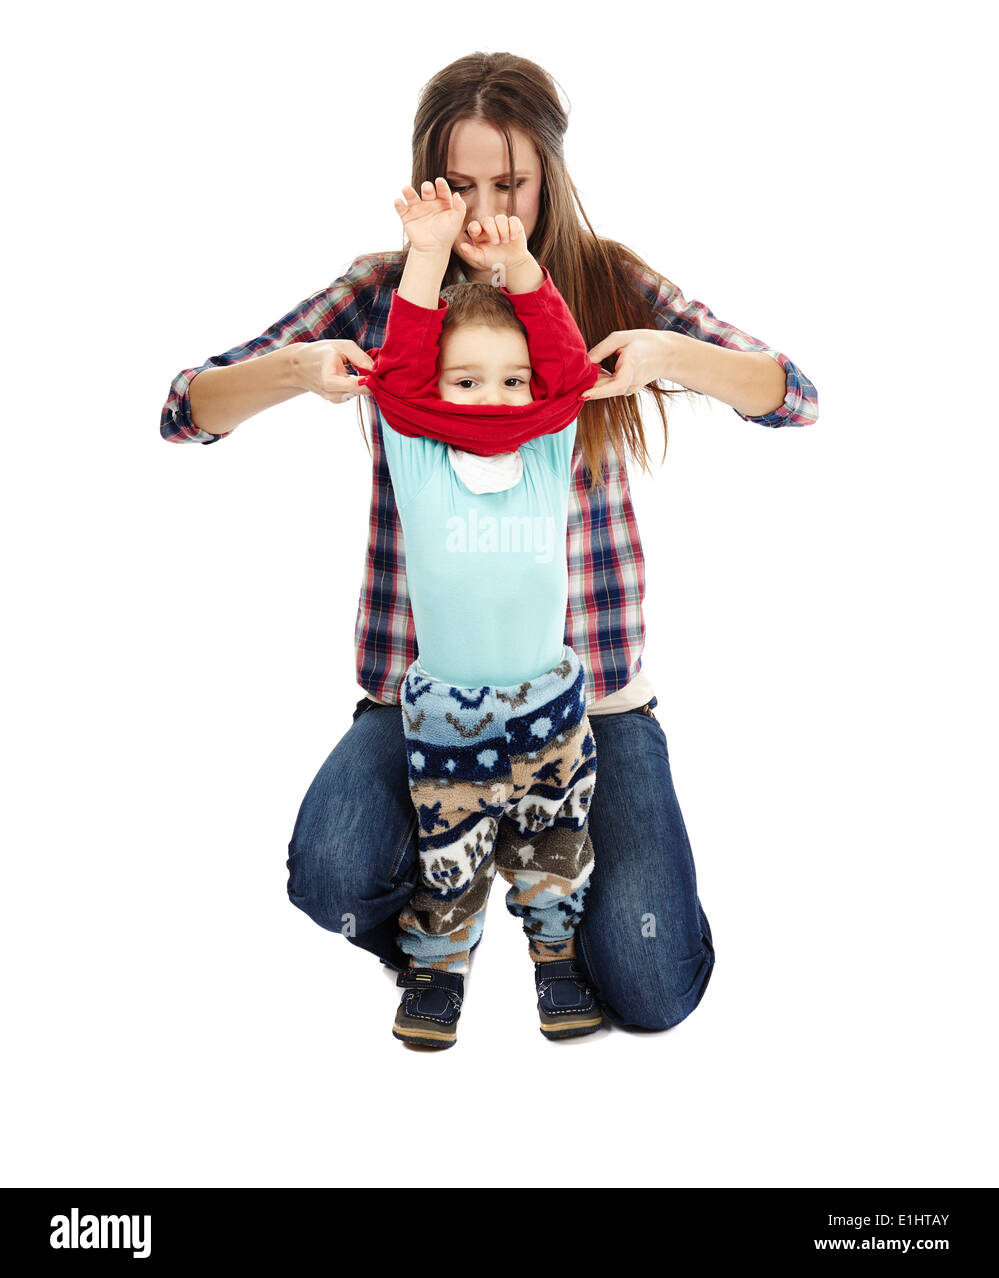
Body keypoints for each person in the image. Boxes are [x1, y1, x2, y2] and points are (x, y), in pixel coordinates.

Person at [160, 52, 819, 1034]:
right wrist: (299, 371)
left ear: (547, 175)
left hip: (588, 696)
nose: (479, 213)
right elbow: (185, 408)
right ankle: (448, 914)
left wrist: (663, 356)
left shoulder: (604, 284)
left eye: (506, 184)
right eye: (458, 185)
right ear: (427, 179)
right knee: (334, 873)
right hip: (428, 699)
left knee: (650, 983)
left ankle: (556, 892)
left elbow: (794, 396)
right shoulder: (386, 295)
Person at [362, 177, 604, 1048]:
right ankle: (438, 969)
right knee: (449, 854)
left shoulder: (543, 454)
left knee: (556, 847)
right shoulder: (419, 459)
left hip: (549, 706)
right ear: (436, 391)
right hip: (446, 713)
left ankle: (558, 959)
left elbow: (568, 376)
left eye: (511, 382)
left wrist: (520, 271)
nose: (495, 399)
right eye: (466, 382)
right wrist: (428, 258)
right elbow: (399, 379)